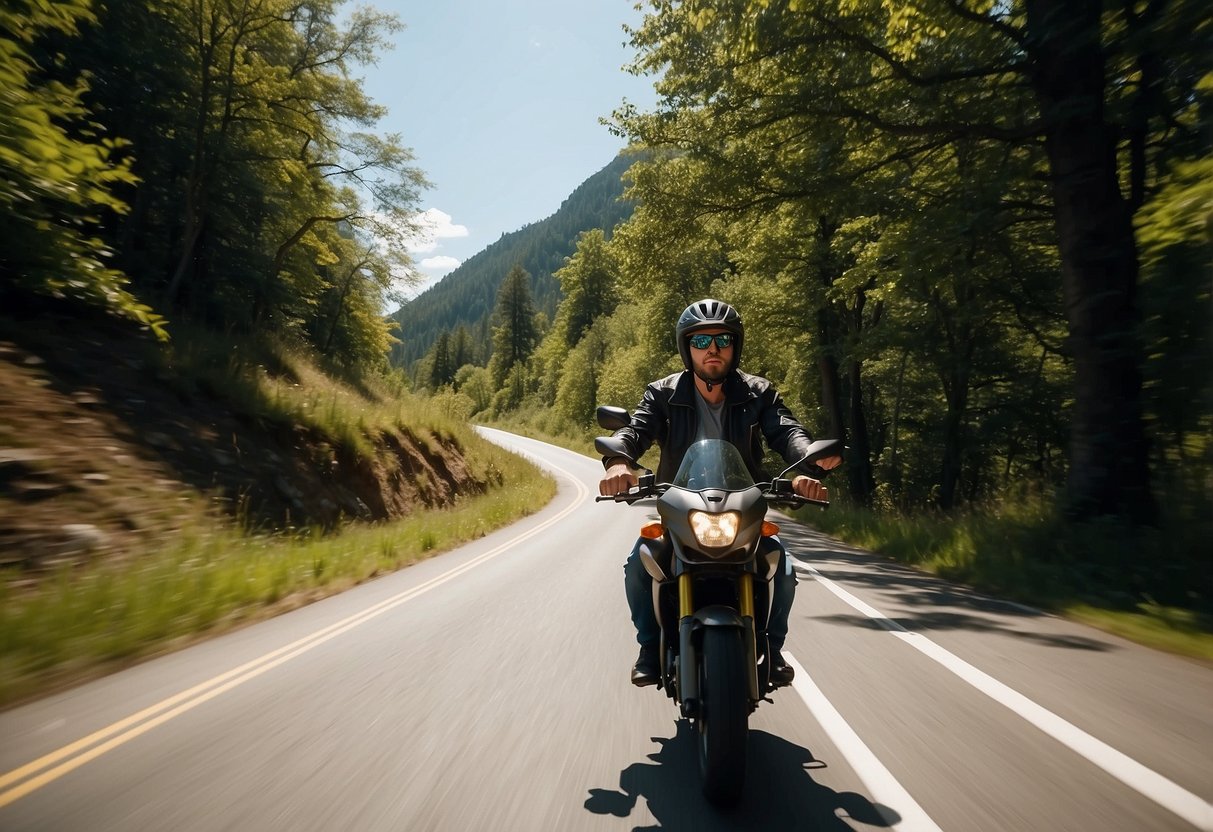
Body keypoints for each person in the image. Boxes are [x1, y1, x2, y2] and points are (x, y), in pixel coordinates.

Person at [599, 299, 842, 687]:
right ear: (686, 348)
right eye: (701, 341)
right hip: (680, 507)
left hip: (743, 506)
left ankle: (773, 650)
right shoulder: (662, 394)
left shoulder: (759, 393)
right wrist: (619, 464)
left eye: (722, 339)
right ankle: (648, 647)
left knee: (783, 566)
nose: (712, 348)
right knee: (638, 564)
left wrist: (807, 466)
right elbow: (634, 432)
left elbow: (787, 431)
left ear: (735, 345)